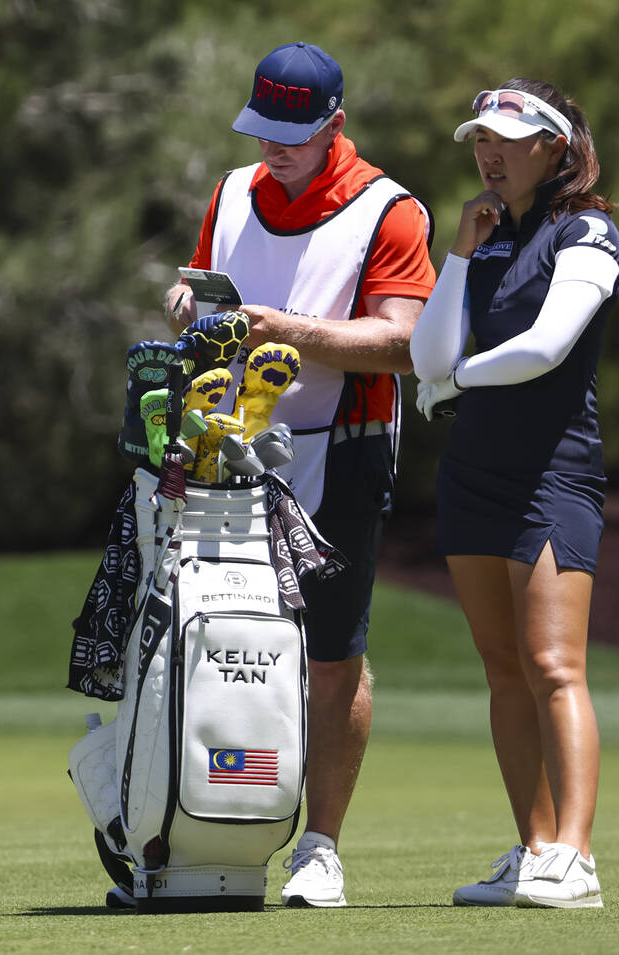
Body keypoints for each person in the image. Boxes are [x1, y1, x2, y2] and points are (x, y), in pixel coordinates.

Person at [162, 41, 436, 908]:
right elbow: (214, 297)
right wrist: (187, 303)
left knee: (331, 649)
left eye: (292, 133)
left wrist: (293, 330)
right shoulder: (233, 191)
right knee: (211, 630)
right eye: (262, 129)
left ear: (334, 126)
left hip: (343, 442)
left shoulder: (388, 210)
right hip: (225, 438)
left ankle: (321, 844)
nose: (272, 148)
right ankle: (209, 824)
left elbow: (403, 344)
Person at [408, 79, 619, 909]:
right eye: (479, 139)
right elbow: (429, 356)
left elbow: (546, 345)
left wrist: (460, 376)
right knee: (503, 668)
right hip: (474, 471)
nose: (487, 153)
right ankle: (534, 848)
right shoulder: (488, 235)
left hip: (552, 471)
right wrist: (458, 252)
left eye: (507, 137)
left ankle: (576, 856)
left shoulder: (589, 231)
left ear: (556, 146)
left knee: (552, 665)